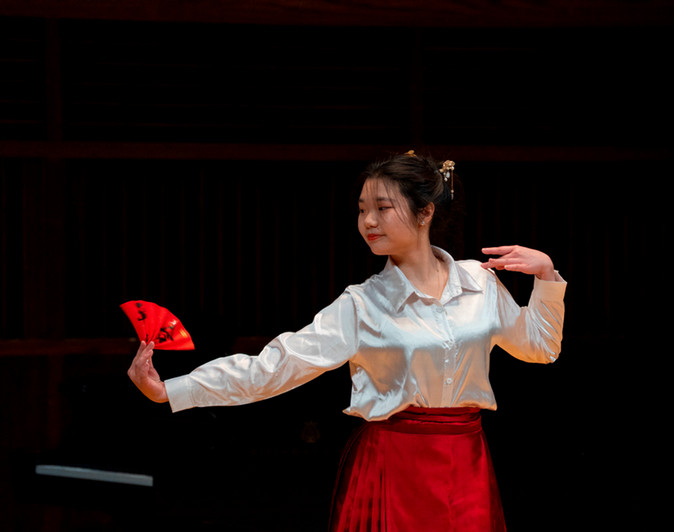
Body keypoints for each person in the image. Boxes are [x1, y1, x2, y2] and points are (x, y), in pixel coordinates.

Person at [127, 151, 567, 531]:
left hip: (467, 461)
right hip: (394, 465)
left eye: (381, 208)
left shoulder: (480, 283)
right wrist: (172, 390)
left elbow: (541, 348)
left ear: (425, 212)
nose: (368, 222)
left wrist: (546, 277)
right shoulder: (362, 305)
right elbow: (274, 367)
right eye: (361, 210)